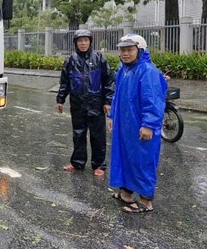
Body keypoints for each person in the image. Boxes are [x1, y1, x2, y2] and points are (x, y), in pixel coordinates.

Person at [108, 34, 167, 214]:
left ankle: (145, 201)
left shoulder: (147, 71)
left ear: (140, 50)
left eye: (129, 50)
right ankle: (126, 193)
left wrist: (149, 124)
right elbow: (117, 96)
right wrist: (112, 116)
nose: (125, 54)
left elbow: (153, 100)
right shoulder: (123, 70)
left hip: (142, 126)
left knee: (143, 160)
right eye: (122, 50)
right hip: (125, 125)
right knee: (125, 157)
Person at [56, 29, 115, 176]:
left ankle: (99, 165)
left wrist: (108, 101)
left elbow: (109, 81)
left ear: (90, 42)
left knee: (98, 136)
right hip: (77, 104)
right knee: (78, 134)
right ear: (75, 43)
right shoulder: (70, 60)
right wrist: (60, 99)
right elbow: (64, 82)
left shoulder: (99, 59)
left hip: (96, 103)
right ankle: (77, 162)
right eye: (80, 41)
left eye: (86, 40)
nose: (83, 43)